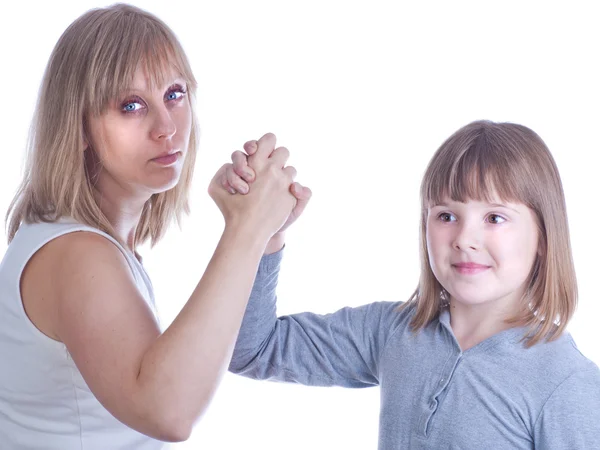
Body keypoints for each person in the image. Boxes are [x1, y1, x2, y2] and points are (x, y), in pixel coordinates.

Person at [0, 4, 311, 449]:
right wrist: (244, 230)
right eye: (131, 106)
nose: (166, 127)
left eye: (174, 94)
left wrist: (264, 233)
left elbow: (233, 354)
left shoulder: (85, 241)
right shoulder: (76, 255)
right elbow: (168, 411)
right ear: (79, 126)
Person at [227, 120, 600, 449]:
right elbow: (250, 350)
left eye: (495, 217)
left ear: (543, 238)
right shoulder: (392, 332)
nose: (464, 238)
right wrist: (263, 235)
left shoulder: (568, 384)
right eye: (447, 215)